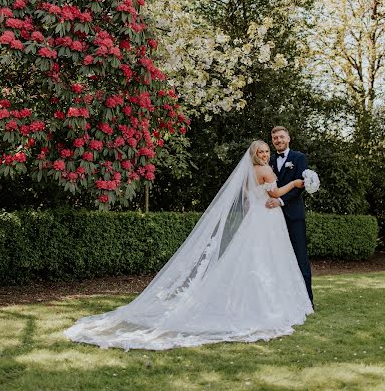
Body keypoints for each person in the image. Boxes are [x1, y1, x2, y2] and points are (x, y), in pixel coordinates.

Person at [65, 140, 313, 351]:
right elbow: (276, 194)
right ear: (254, 154)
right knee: (267, 258)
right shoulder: (266, 171)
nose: (265, 154)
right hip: (267, 219)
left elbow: (248, 196)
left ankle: (248, 299)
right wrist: (296, 184)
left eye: (266, 151)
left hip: (256, 219)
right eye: (261, 152)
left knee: (253, 257)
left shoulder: (250, 171)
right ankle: (267, 304)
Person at [267, 126, 314, 305]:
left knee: (300, 257)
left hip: (294, 215)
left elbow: (300, 187)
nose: (278, 141)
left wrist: (281, 201)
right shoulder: (269, 160)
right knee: (277, 257)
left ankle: (307, 301)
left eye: (281, 137)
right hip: (272, 218)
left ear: (288, 138)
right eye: (275, 138)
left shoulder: (299, 158)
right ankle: (283, 301)